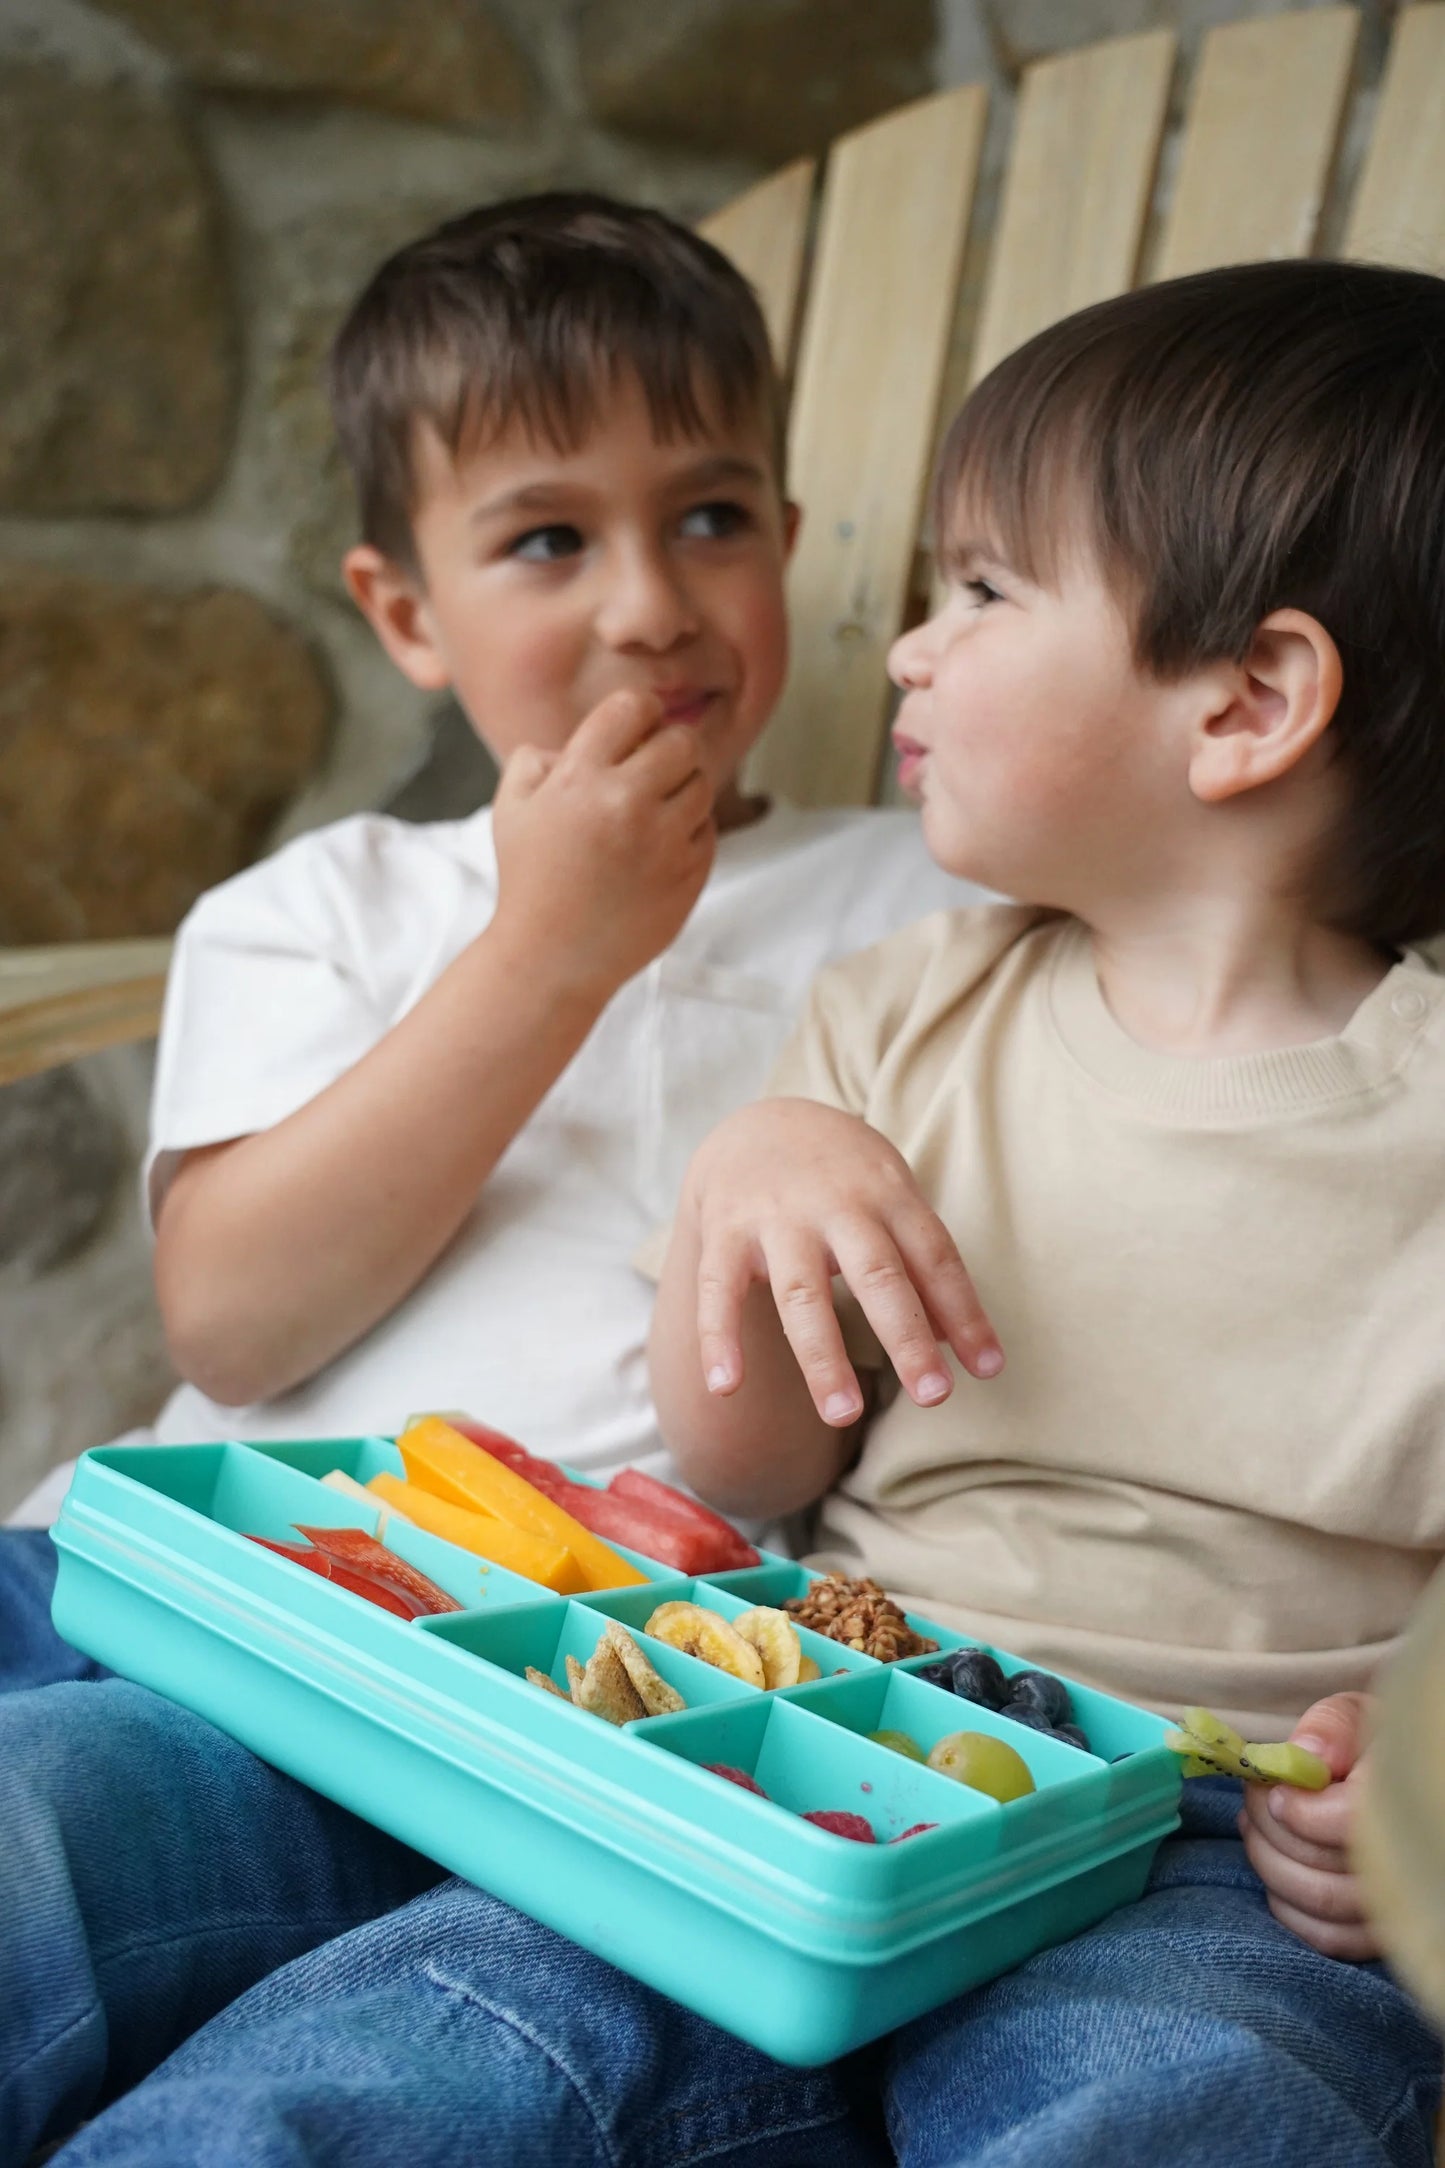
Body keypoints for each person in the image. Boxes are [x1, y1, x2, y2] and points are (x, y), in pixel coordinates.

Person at [35, 257, 1443, 2168]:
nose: (905, 652)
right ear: (401, 610)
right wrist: (747, 1173)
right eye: (544, 537)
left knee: (1181, 2098)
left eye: (981, 591)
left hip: (1204, 1840)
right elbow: (744, 1446)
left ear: (1252, 700)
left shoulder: (1365, 1096)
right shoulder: (902, 1007)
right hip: (765, 1719)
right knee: (400, 2051)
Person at [0, 194, 975, 2163]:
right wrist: (548, 950)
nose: (650, 601)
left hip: (594, 1700)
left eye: (713, 517)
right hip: (203, 1590)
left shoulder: (931, 901)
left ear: (789, 543)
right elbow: (234, 1317)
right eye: (549, 538)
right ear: (406, 615)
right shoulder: (332, 908)